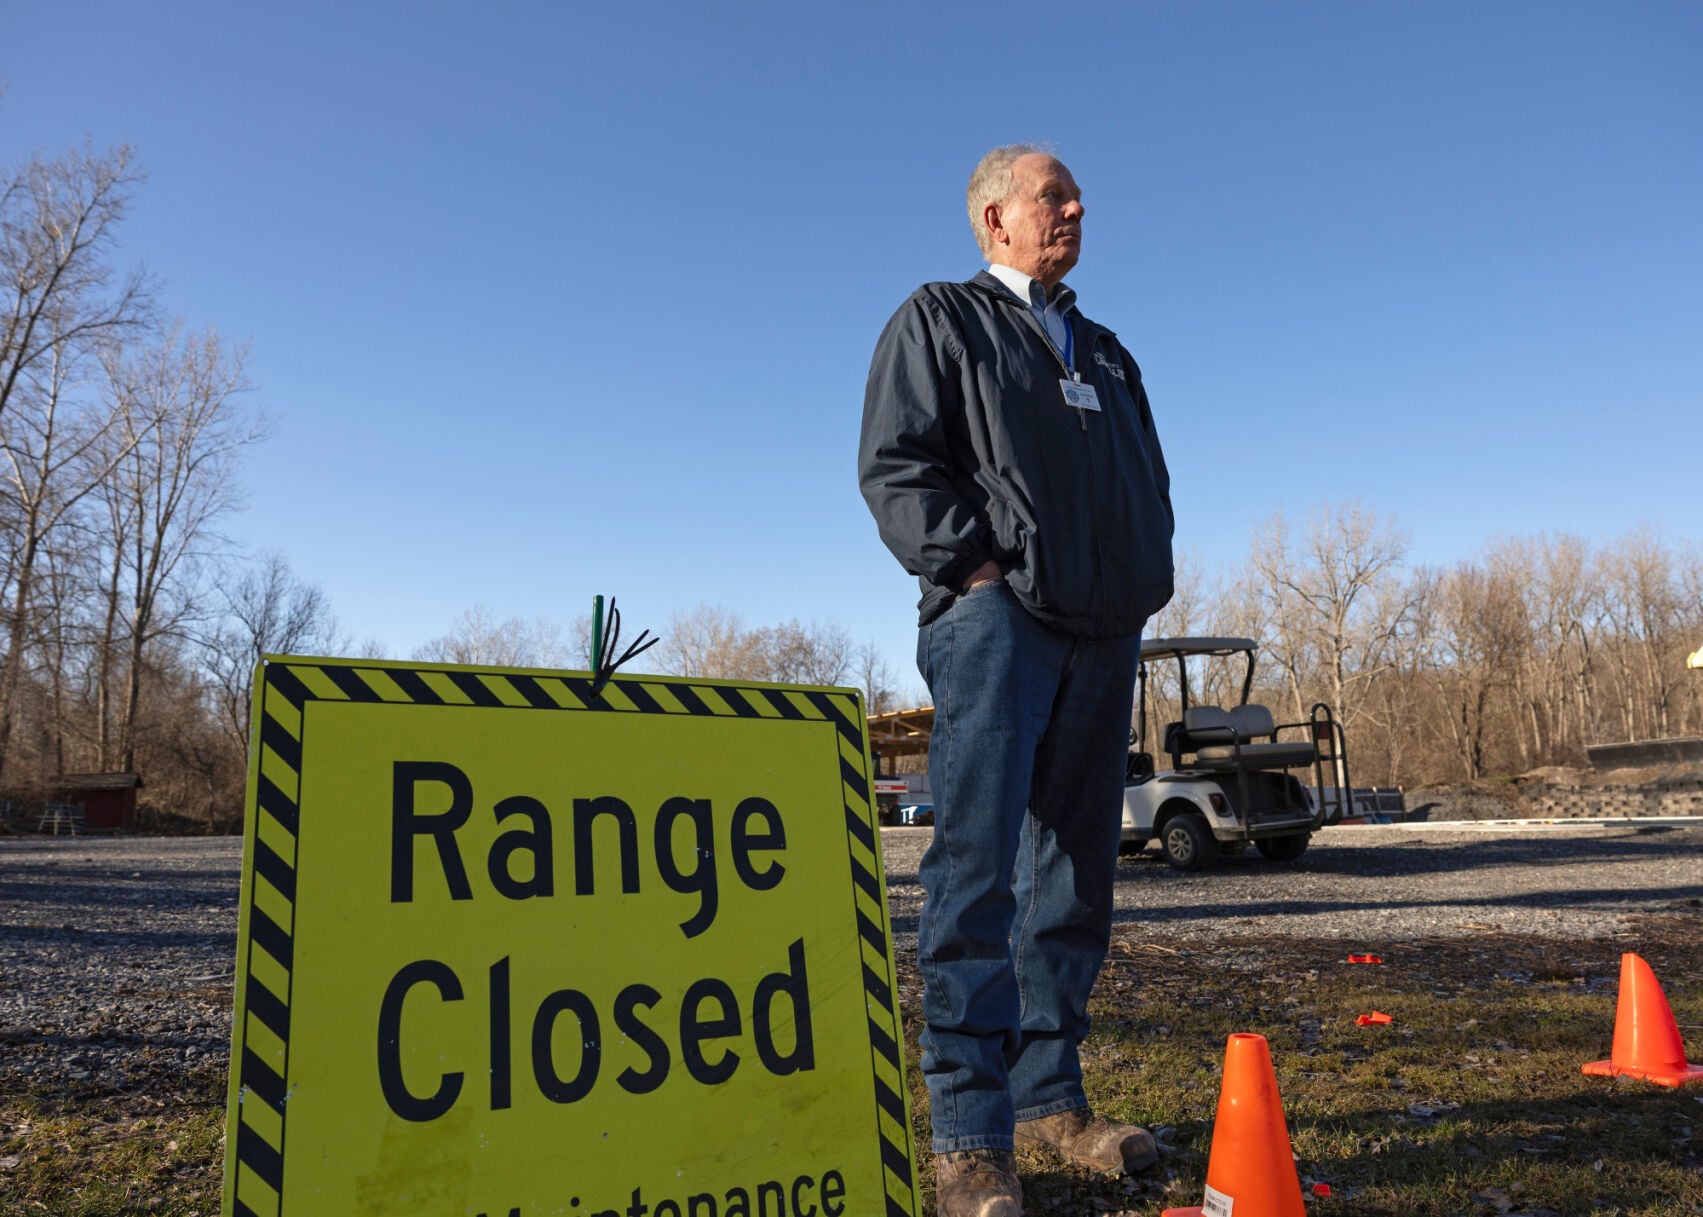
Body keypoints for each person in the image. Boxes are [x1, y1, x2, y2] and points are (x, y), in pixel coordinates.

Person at [857, 144, 1175, 1217]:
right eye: (1052, 195)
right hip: (993, 625)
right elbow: (896, 462)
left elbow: (1144, 477)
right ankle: (969, 1139)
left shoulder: (1104, 350)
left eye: (1075, 193)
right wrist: (975, 570)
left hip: (1101, 630)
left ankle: (1050, 1100)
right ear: (994, 218)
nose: (1075, 206)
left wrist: (1139, 584)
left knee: (1074, 877)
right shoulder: (940, 319)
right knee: (976, 877)